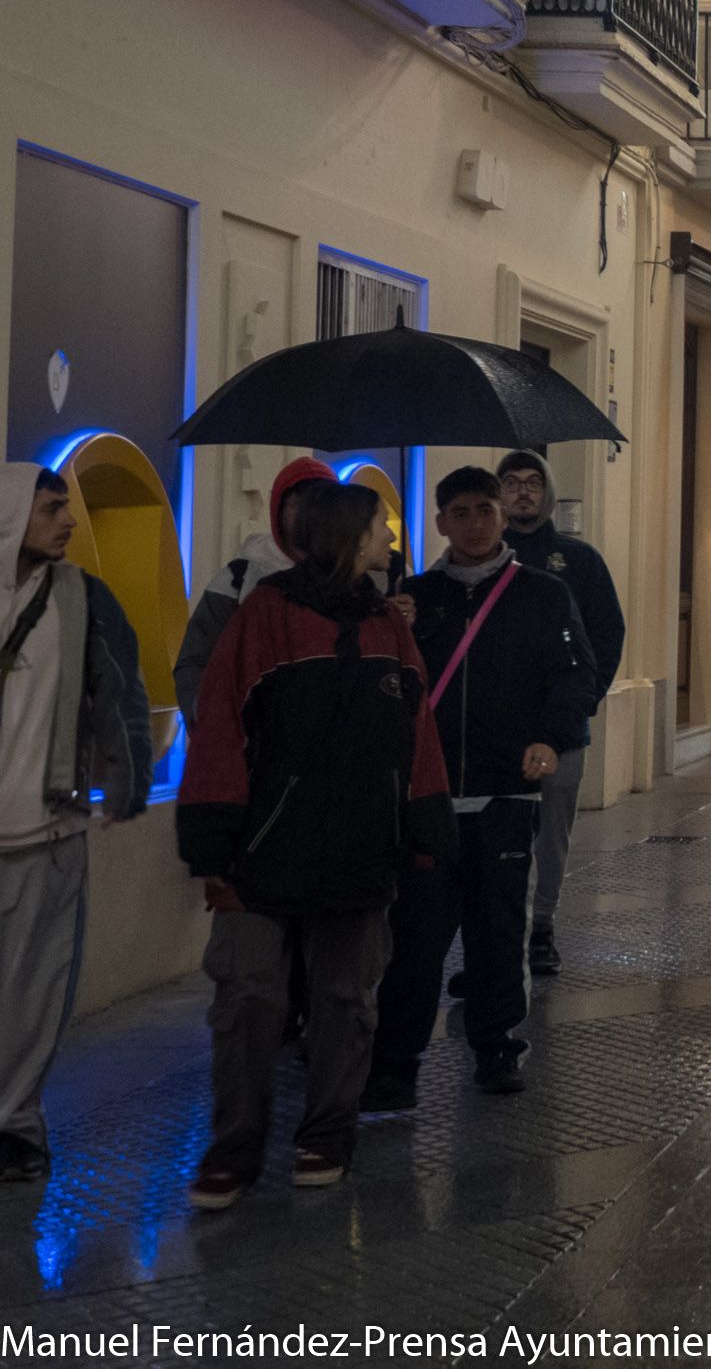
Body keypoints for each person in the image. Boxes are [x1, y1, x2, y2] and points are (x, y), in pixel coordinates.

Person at [180, 483, 449, 1209]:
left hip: (362, 847)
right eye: (379, 527)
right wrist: (211, 838)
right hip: (262, 849)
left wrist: (424, 824)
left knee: (345, 998)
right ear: (344, 537)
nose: (390, 537)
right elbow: (220, 726)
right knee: (248, 998)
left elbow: (416, 732)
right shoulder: (264, 617)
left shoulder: (388, 627)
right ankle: (234, 1147)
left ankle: (326, 1134)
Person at [365, 468, 596, 1107]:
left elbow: (575, 675)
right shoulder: (413, 597)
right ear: (440, 521)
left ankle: (496, 1047)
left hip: (504, 792)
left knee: (498, 932)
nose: (475, 524)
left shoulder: (544, 596)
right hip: (428, 796)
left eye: (486, 510)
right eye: (460, 512)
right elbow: (383, 689)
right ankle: (397, 1061)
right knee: (415, 936)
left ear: (502, 515)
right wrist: (395, 630)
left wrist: (552, 737)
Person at [0, 465, 153, 1186]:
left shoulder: (84, 599)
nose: (67, 521)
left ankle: (15, 1127)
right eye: (53, 508)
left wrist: (128, 784)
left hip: (47, 832)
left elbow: (122, 690)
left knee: (35, 990)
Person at [494, 451, 625, 980]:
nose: (522, 492)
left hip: (561, 730)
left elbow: (607, 634)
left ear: (546, 492)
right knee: (497, 838)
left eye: (532, 483)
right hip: (497, 730)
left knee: (551, 834)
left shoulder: (579, 561)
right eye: (511, 483)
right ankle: (501, 936)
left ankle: (541, 926)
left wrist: (584, 700)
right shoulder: (481, 558)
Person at [171, 456, 333, 713]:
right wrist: (212, 719)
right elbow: (196, 660)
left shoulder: (354, 581)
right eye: (296, 504)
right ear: (277, 510)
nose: (307, 515)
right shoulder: (239, 579)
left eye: (319, 505)